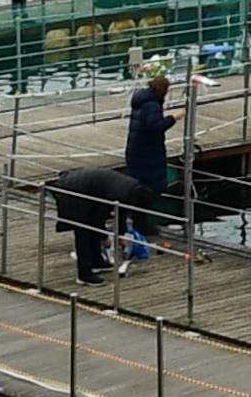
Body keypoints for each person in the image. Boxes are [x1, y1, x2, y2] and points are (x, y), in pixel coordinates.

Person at [50, 165, 147, 283]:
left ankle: (97, 261)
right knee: (84, 229)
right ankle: (84, 274)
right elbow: (98, 217)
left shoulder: (129, 189)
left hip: (87, 190)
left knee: (90, 223)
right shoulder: (118, 194)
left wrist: (121, 234)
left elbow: (121, 213)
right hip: (74, 190)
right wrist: (104, 237)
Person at [123, 72, 174, 211]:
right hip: (147, 153)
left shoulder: (142, 100)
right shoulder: (152, 105)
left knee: (138, 187)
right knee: (148, 190)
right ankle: (142, 222)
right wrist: (173, 118)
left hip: (136, 150)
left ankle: (137, 217)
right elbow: (155, 127)